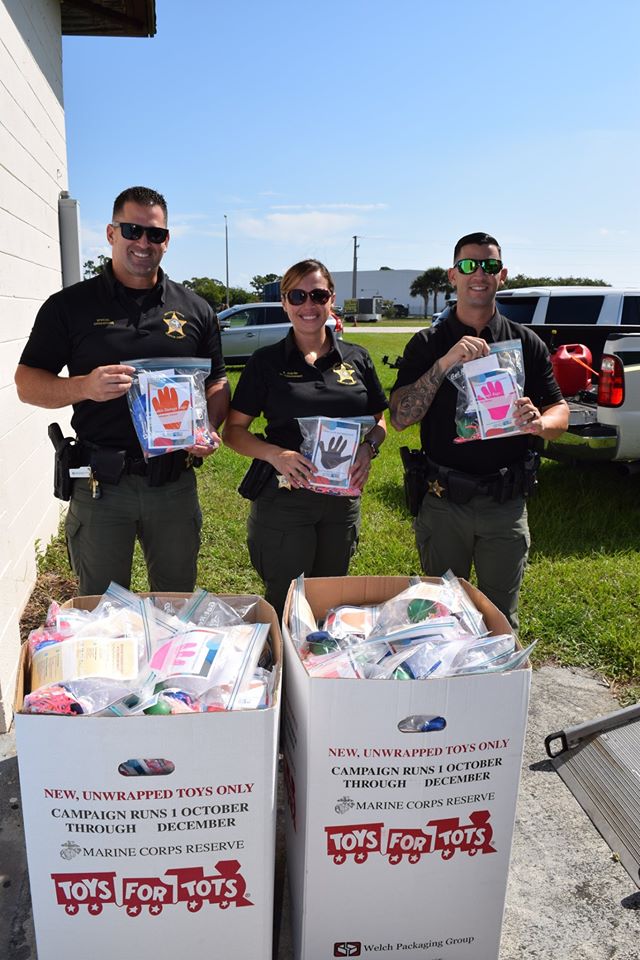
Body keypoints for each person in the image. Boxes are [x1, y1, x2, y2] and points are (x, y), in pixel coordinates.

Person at [15, 185, 229, 596]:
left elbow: (217, 381)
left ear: (167, 240)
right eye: (132, 230)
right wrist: (84, 387)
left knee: (175, 601)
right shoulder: (69, 306)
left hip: (173, 484)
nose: (143, 243)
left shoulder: (195, 309)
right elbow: (27, 384)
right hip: (101, 484)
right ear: (111, 234)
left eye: (155, 234)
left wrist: (210, 428)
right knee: (101, 607)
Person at [390, 232, 569, 630]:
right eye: (469, 265)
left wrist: (540, 422)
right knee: (441, 616)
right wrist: (445, 362)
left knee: (500, 619)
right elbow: (401, 416)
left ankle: (493, 689)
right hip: (443, 502)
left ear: (502, 275)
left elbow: (561, 411)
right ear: (453, 275)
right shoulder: (428, 342)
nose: (479, 274)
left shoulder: (525, 342)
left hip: (504, 504)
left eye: (489, 266)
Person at [223, 258, 387, 616]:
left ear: (331, 299)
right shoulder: (265, 362)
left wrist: (369, 448)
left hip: (340, 502)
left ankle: (318, 669)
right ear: (284, 302)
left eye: (317, 294)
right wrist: (274, 455)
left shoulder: (357, 358)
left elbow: (379, 421)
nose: (308, 305)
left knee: (329, 602)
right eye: (297, 296)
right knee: (287, 602)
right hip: (286, 499)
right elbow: (233, 432)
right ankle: (283, 669)